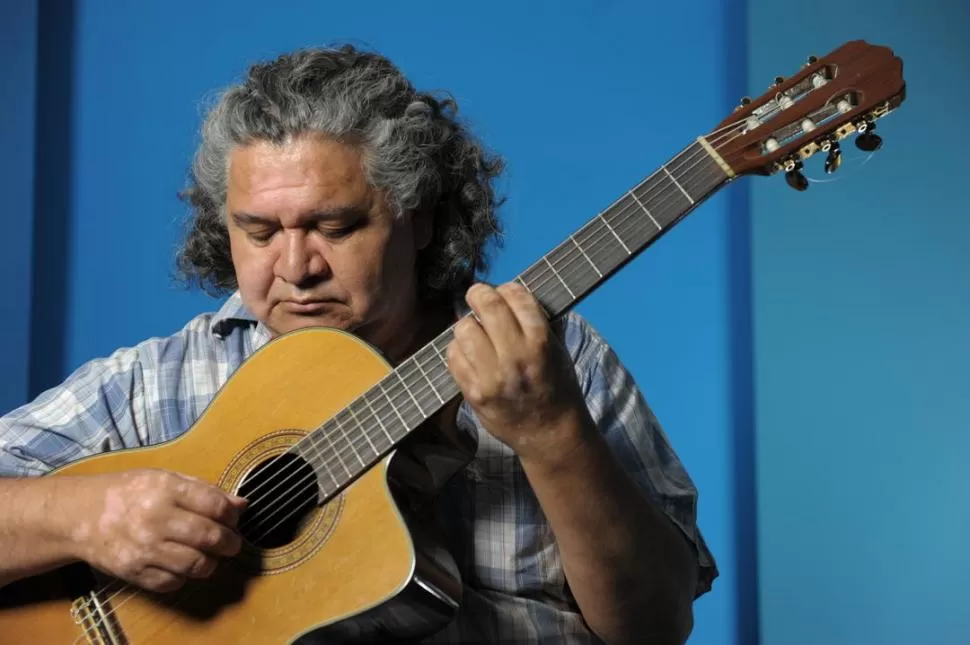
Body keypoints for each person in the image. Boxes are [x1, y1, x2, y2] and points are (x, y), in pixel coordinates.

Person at [0, 45, 717, 644]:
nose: (294, 267)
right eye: (258, 230)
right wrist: (83, 516)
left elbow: (653, 626)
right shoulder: (161, 379)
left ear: (422, 218)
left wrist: (554, 431)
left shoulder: (551, 361)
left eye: (335, 227)